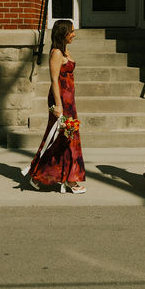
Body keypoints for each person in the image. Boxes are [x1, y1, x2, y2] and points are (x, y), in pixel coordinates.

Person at [26, 20, 85, 193]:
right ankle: (56, 178)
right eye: (71, 31)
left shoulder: (65, 50)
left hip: (69, 100)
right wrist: (58, 105)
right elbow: (54, 80)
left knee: (67, 138)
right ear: (63, 33)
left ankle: (62, 177)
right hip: (60, 101)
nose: (74, 34)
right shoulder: (56, 53)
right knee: (60, 138)